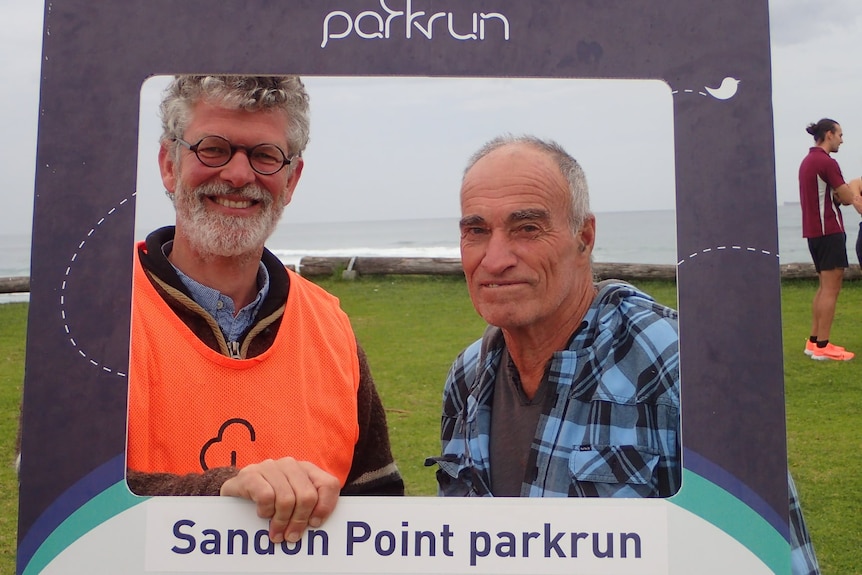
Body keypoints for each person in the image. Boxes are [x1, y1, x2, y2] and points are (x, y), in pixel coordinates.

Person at [428, 135, 821, 574]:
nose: (495, 259)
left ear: (585, 236)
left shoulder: (682, 365)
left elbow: (773, 560)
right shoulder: (467, 377)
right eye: (476, 230)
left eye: (528, 228)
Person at [125, 75, 404, 545]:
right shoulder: (97, 313)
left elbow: (376, 505)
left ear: (291, 180)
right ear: (168, 164)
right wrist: (222, 492)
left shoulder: (329, 326)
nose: (238, 175)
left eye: (264, 155)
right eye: (213, 149)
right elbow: (60, 501)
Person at [798, 118, 857, 361]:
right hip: (829, 231)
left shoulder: (807, 162)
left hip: (815, 233)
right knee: (831, 289)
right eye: (840, 135)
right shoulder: (826, 162)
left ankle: (813, 342)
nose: (842, 140)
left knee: (824, 288)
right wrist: (848, 192)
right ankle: (823, 346)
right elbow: (845, 197)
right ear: (829, 134)